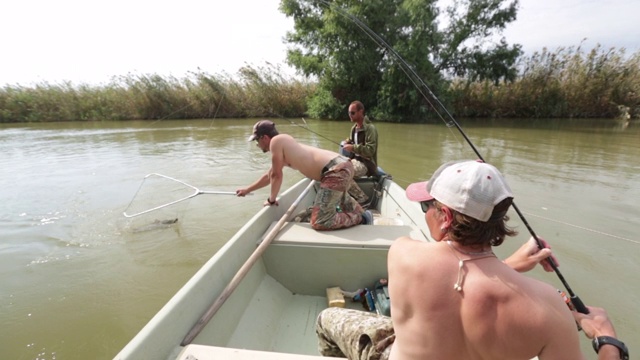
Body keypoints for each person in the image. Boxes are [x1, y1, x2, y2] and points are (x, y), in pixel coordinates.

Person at [316, 160, 627, 359]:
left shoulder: (403, 253)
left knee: (327, 320)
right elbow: (475, 283)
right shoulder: (550, 310)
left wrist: (508, 268)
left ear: (446, 216)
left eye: (429, 207)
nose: (427, 215)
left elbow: (457, 285)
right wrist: (607, 339)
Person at [236, 120, 373, 230]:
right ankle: (360, 212)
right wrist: (247, 190)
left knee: (320, 221)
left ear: (264, 137)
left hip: (334, 171)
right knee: (336, 195)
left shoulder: (276, 142)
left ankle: (362, 218)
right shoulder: (283, 145)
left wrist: (271, 200)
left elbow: (276, 176)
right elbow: (270, 175)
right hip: (341, 166)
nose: (257, 145)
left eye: (256, 140)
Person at [341, 101, 379, 204]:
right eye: (349, 113)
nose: (350, 115)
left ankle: (362, 198)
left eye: (352, 113)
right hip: (355, 160)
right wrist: (348, 142)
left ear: (361, 112)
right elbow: (352, 141)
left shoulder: (370, 129)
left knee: (344, 174)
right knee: (336, 170)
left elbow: (370, 150)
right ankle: (346, 200)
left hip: (366, 164)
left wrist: (353, 147)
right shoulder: (353, 129)